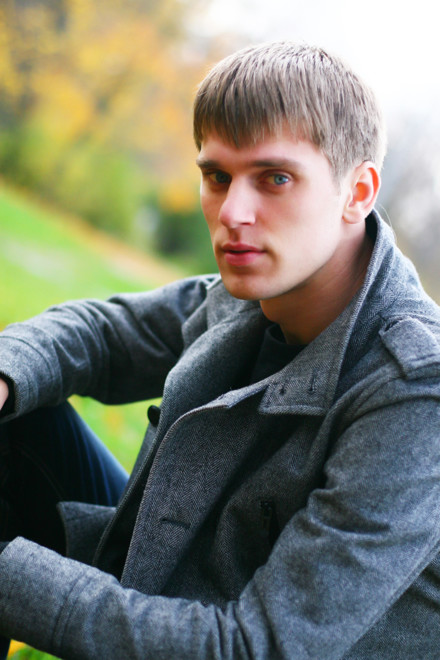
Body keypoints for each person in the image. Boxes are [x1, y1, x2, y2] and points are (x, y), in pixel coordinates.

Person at [0, 40, 439, 660]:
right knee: (15, 415)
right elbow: (101, 334)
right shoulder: (258, 287)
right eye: (217, 176)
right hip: (171, 575)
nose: (233, 212)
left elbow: (258, 647)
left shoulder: (416, 390)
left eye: (275, 178)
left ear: (358, 191)